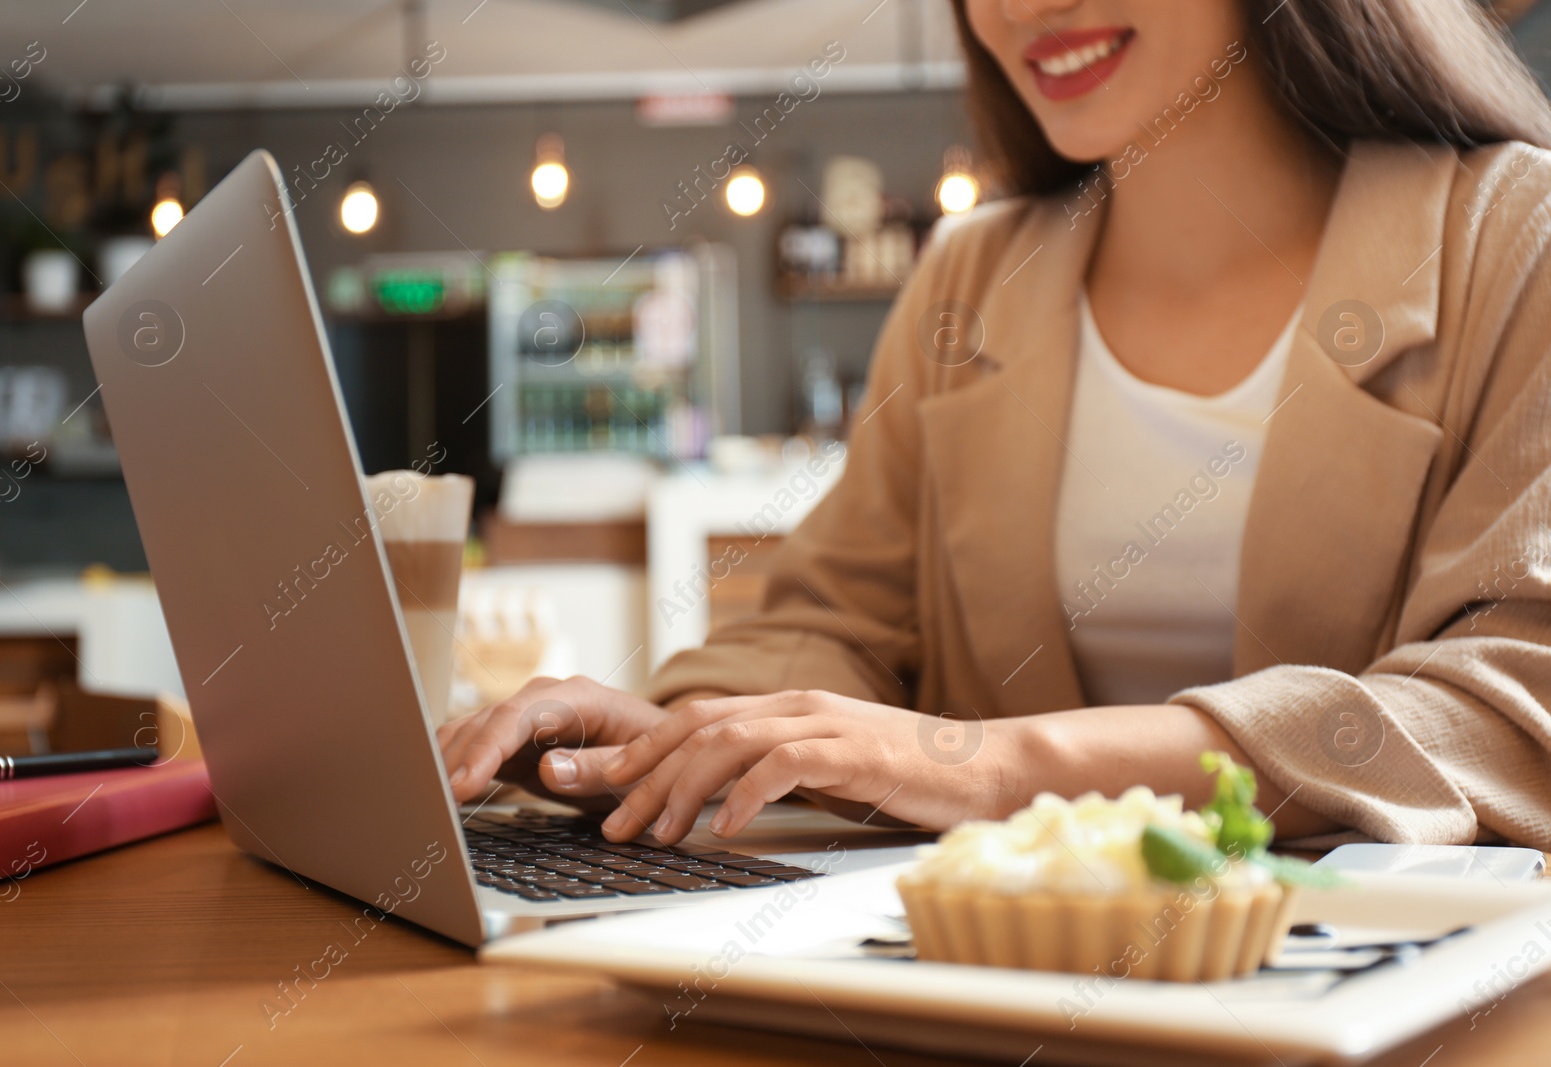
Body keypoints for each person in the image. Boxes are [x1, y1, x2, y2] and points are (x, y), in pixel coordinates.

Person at [441, 0, 1551, 850]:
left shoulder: (1516, 240)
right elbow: (833, 623)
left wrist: (995, 764)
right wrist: (664, 737)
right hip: (998, 987)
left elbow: (1513, 708)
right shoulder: (972, 279)